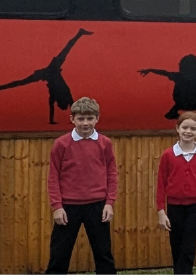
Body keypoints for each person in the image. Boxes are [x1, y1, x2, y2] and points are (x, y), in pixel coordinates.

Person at [46, 97, 118, 274]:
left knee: (103, 254)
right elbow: (53, 176)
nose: (85, 123)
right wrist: (57, 206)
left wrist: (109, 203)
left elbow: (112, 174)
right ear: (72, 119)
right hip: (68, 207)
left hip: (98, 205)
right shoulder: (61, 144)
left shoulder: (105, 143)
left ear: (97, 119)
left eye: (89, 118)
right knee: (59, 255)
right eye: (80, 118)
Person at [0, 28, 93, 124]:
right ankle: (79, 33)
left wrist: (52, 121)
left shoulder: (62, 96)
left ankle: (0, 87)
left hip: (49, 72)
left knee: (23, 82)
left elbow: (63, 108)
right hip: (50, 71)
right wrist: (53, 121)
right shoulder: (64, 96)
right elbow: (69, 108)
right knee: (65, 51)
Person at [156, 111, 196, 274]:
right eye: (185, 127)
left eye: (193, 128)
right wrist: (161, 211)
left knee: (188, 248)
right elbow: (161, 184)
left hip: (195, 207)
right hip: (174, 206)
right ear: (177, 128)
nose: (188, 131)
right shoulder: (168, 155)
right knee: (176, 247)